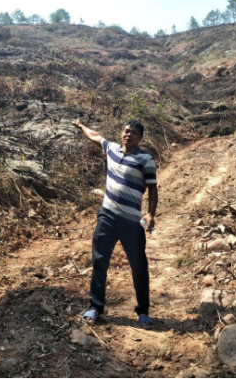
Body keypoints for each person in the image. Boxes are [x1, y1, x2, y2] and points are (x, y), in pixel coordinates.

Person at [72, 118, 158, 328]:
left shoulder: (146, 160)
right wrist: (82, 126)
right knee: (99, 262)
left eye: (134, 133)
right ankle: (95, 307)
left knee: (139, 266)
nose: (128, 135)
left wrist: (150, 214)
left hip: (131, 221)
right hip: (108, 217)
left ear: (140, 138)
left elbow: (153, 189)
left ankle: (143, 311)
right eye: (126, 131)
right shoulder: (111, 149)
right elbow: (95, 137)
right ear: (122, 133)